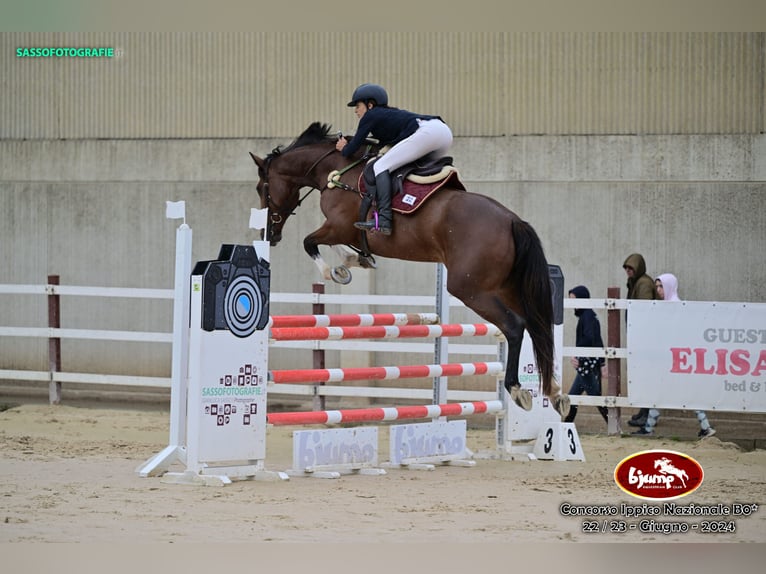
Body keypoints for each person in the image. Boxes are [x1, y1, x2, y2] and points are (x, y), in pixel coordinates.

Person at [335, 83, 453, 235]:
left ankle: (384, 218)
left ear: (370, 105)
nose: (356, 111)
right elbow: (383, 143)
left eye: (357, 106)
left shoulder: (371, 115)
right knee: (412, 169)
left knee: (380, 167)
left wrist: (343, 147)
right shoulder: (386, 116)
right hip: (443, 134)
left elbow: (351, 149)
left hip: (428, 133)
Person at [632, 273, 716, 438]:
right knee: (660, 392)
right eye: (656, 286)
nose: (658, 290)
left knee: (686, 392)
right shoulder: (664, 306)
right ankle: (649, 428)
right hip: (668, 359)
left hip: (678, 359)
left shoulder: (677, 307)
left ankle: (705, 427)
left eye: (661, 286)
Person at [623, 253, 659, 428]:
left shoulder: (643, 283)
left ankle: (647, 413)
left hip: (646, 337)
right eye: (627, 268)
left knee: (647, 377)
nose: (628, 271)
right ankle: (644, 412)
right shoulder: (635, 282)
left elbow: (644, 311)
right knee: (643, 377)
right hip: (640, 336)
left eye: (631, 268)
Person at [564, 285, 609, 425]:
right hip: (588, 363)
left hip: (586, 365)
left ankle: (614, 424)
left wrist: (577, 355)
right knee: (576, 396)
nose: (572, 304)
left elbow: (590, 339)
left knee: (592, 397)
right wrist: (602, 363)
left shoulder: (587, 317)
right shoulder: (588, 316)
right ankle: (567, 425)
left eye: (574, 300)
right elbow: (597, 340)